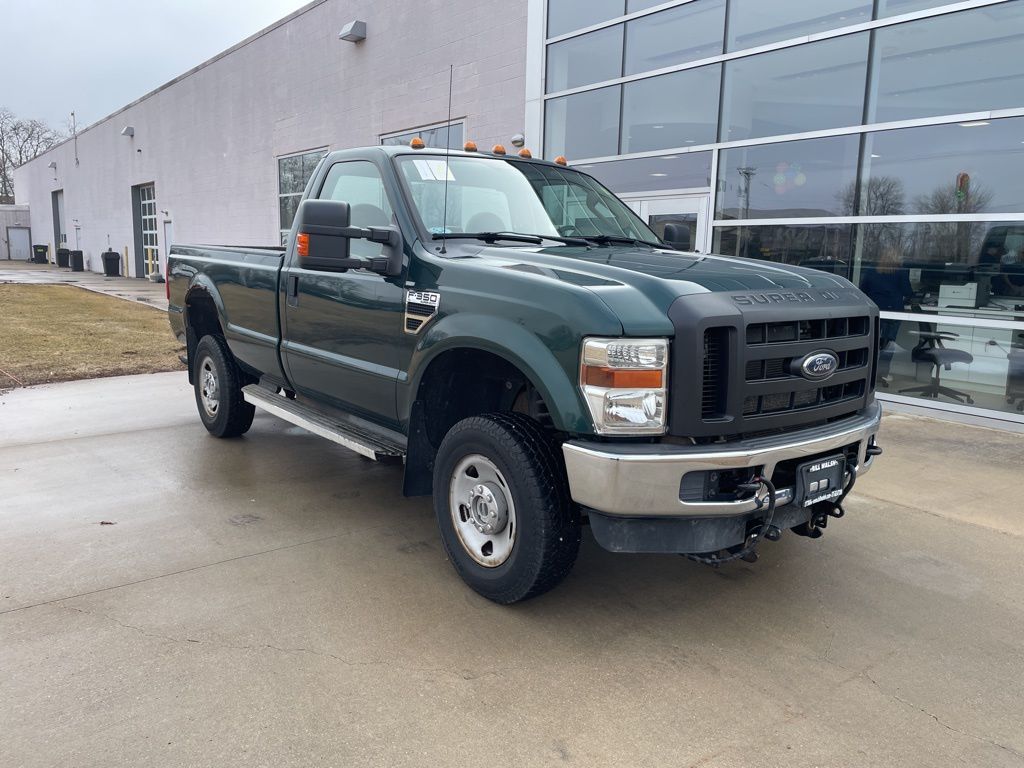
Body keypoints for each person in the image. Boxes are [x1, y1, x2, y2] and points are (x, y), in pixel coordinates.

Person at [860, 247, 913, 386]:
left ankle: (867, 371)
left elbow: (862, 289)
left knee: (872, 343)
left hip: (875, 311)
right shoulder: (901, 271)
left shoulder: (872, 270)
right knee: (889, 344)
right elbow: (908, 291)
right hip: (893, 312)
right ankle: (882, 373)